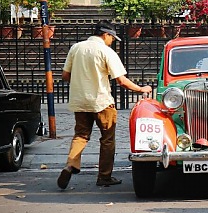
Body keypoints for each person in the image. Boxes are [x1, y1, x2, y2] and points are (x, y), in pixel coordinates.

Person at [57, 21, 152, 189]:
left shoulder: (76, 48)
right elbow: (121, 81)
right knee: (107, 139)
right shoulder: (105, 51)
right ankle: (104, 176)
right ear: (105, 34)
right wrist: (140, 89)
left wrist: (82, 80)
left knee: (80, 136)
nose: (112, 41)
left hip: (79, 101)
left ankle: (70, 164)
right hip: (102, 102)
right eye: (112, 38)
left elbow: (65, 75)